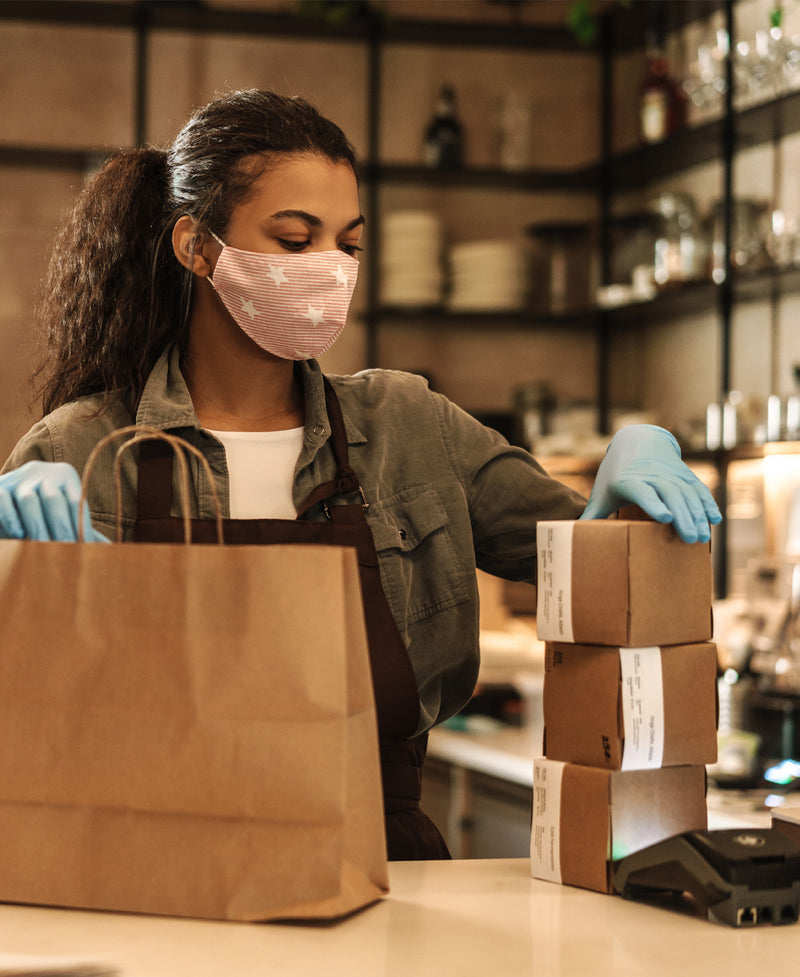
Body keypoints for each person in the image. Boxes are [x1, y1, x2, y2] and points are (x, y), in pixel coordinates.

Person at [0, 89, 720, 860]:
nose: (330, 270)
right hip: (153, 869)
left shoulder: (408, 426)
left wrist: (626, 493)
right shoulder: (81, 451)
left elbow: (603, 585)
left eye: (347, 245)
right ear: (196, 247)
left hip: (383, 870)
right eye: (294, 238)